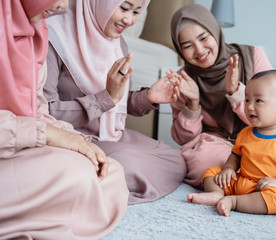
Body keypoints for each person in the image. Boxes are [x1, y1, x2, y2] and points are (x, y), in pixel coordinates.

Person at [169, 4, 276, 194]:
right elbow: (186, 140)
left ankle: (242, 186)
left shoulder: (251, 56)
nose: (199, 50)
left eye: (203, 38)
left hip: (264, 139)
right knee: (202, 163)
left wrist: (236, 94)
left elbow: (271, 116)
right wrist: (192, 103)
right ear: (179, 49)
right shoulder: (183, 79)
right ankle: (259, 186)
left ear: (215, 31)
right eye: (188, 46)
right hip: (220, 146)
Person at [0, 0, 129, 239]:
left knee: (111, 173)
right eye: (124, 8)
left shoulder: (36, 32)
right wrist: (48, 133)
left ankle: (45, 216)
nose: (63, 6)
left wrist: (76, 140)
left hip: (21, 143)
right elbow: (51, 110)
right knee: (77, 174)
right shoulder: (56, 39)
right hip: (12, 142)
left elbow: (36, 109)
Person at [44, 0, 187, 204]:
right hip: (69, 137)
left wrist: (148, 97)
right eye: (124, 8)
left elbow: (119, 100)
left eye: (137, 11)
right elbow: (46, 112)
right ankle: (89, 180)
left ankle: (98, 178)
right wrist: (106, 98)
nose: (129, 20)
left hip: (107, 135)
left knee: (173, 159)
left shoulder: (116, 42)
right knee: (127, 165)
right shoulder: (54, 37)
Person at [187, 70, 276, 216]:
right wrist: (228, 169)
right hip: (243, 182)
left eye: (258, 101)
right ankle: (216, 194)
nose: (249, 107)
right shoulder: (246, 133)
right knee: (213, 172)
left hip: (270, 188)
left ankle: (234, 202)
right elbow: (235, 156)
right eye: (247, 100)